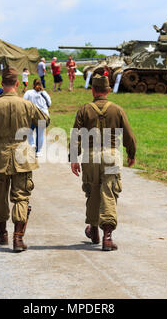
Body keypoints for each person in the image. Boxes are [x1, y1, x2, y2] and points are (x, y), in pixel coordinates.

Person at [0, 68, 50, 252]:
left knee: (0, 194)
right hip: (22, 152)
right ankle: (18, 238)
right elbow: (45, 120)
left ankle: (3, 234)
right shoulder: (26, 104)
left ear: (1, 84)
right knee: (21, 196)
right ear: (17, 84)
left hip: (1, 152)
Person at [70, 75, 137, 251]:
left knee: (92, 193)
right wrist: (131, 154)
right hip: (112, 154)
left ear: (93, 89)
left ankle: (93, 229)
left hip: (90, 156)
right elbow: (129, 136)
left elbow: (76, 136)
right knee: (109, 192)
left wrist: (74, 158)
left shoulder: (84, 110)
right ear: (108, 90)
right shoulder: (117, 110)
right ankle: (107, 237)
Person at [23, 78, 51, 157]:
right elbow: (49, 103)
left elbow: (24, 102)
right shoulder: (44, 93)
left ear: (33, 85)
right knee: (41, 134)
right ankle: (38, 151)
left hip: (32, 115)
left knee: (29, 130)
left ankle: (32, 144)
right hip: (43, 115)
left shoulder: (29, 92)